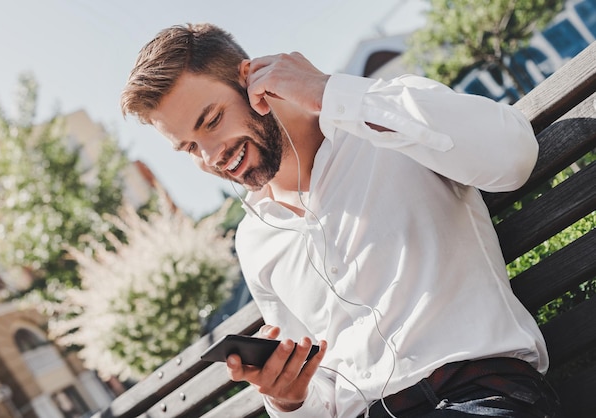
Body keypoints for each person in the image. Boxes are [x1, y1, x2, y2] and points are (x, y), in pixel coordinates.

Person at [121, 23, 563, 418]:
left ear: (252, 79)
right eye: (189, 148)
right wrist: (289, 399)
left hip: (479, 393)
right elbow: (324, 395)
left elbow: (513, 157)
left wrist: (326, 90)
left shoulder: (381, 122)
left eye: (212, 120)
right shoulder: (256, 240)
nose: (211, 155)